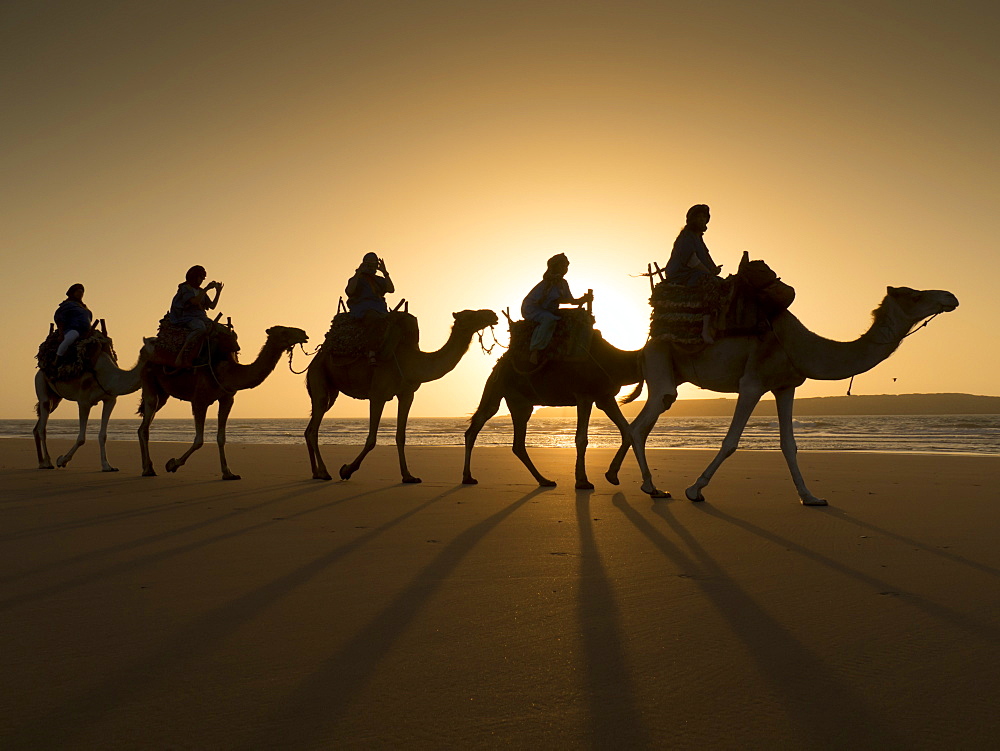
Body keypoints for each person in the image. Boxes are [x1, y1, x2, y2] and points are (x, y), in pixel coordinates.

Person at [663, 204, 723, 343]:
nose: (702, 220)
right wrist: (709, 273)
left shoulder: (698, 239)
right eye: (699, 217)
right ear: (692, 219)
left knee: (721, 283)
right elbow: (692, 260)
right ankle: (705, 330)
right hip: (681, 275)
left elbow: (706, 259)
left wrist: (714, 270)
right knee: (710, 284)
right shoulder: (687, 237)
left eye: (704, 218)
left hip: (696, 274)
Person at [521, 253, 593, 363]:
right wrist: (581, 300)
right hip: (532, 308)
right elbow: (555, 300)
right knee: (549, 319)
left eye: (566, 266)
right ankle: (535, 350)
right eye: (563, 266)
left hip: (547, 309)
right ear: (555, 267)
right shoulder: (549, 283)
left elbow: (570, 300)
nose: (565, 269)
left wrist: (583, 299)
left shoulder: (563, 283)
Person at [167, 265, 223, 366]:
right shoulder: (186, 288)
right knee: (200, 329)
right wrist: (206, 289)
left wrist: (218, 292)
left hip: (201, 317)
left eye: (202, 278)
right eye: (200, 277)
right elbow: (194, 301)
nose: (201, 280)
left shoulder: (200, 291)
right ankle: (182, 353)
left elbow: (212, 306)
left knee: (221, 330)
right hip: (188, 317)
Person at [345, 252, 395, 364]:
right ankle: (371, 351)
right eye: (369, 264)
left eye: (374, 265)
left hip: (380, 308)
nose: (372, 267)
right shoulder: (358, 279)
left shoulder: (380, 280)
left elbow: (391, 289)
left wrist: (385, 273)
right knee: (374, 318)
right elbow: (349, 291)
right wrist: (358, 272)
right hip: (363, 308)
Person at [54, 283, 94, 358]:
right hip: (72, 329)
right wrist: (61, 333)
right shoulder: (68, 305)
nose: (80, 294)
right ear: (73, 293)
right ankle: (58, 357)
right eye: (78, 292)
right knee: (71, 337)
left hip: (86, 332)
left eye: (82, 293)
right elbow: (59, 317)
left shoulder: (84, 307)